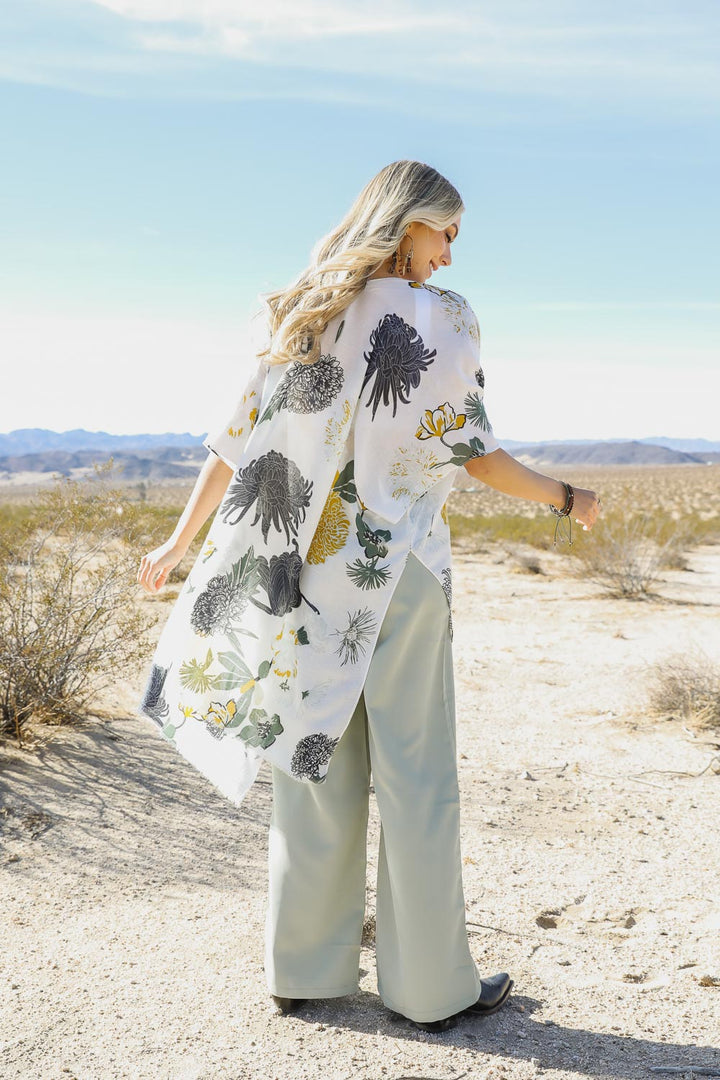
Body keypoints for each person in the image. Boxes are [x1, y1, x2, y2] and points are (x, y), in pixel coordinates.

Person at [137, 160, 601, 1034]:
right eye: (446, 233)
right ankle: (430, 990)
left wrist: (179, 542)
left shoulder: (303, 312)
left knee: (309, 762)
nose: (449, 256)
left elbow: (234, 446)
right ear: (409, 221)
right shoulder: (443, 319)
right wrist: (567, 497)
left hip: (306, 573)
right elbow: (475, 454)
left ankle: (304, 971)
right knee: (417, 776)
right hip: (402, 574)